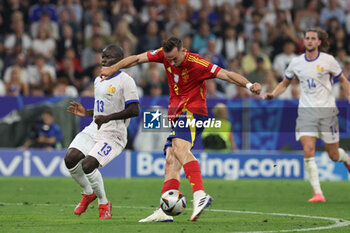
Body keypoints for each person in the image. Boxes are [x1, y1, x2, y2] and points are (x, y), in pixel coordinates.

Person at [101, 37, 261, 222]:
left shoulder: (198, 64)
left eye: (175, 59)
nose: (171, 63)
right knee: (171, 158)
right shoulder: (164, 55)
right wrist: (113, 68)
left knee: (179, 148)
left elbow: (227, 74)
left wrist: (249, 85)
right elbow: (136, 59)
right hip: (177, 114)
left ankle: (200, 194)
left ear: (182, 50)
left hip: (193, 112)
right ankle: (163, 210)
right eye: (168, 59)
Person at [263, 28, 350, 203]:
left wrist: (348, 96)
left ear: (319, 42)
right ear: (303, 41)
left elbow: (343, 81)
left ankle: (346, 158)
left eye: (312, 38)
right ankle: (318, 193)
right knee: (308, 150)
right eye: (306, 38)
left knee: (333, 155)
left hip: (327, 112)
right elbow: (284, 83)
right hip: (306, 113)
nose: (309, 41)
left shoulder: (328, 61)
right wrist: (273, 93)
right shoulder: (296, 63)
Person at [64, 44, 139, 219]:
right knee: (70, 158)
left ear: (120, 61)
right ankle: (88, 192)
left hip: (114, 134)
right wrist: (86, 113)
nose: (104, 60)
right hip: (95, 128)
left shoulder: (126, 80)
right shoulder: (99, 79)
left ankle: (103, 203)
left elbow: (135, 110)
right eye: (103, 56)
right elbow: (101, 112)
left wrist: (108, 118)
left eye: (109, 57)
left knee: (88, 164)